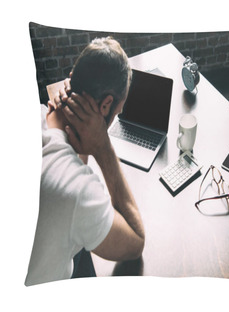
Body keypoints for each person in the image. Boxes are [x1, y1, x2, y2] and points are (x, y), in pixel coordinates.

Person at [25, 37, 145, 286]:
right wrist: (102, 147)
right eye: (116, 113)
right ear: (106, 105)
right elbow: (135, 241)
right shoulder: (76, 192)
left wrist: (78, 128)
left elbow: (72, 161)